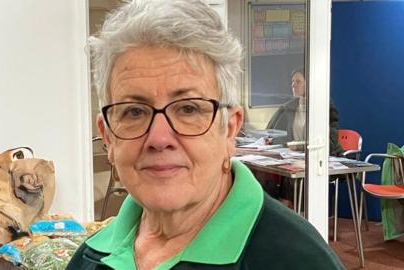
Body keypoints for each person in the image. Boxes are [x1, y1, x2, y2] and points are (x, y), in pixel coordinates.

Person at [67, 1, 344, 269]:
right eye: (134, 112)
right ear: (108, 137)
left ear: (230, 130)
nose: (159, 138)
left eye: (188, 108)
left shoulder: (297, 260)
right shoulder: (89, 258)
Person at [266, 68, 344, 156]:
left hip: (324, 157)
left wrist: (301, 147)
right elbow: (293, 138)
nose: (293, 85)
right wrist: (273, 140)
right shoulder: (290, 107)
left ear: (309, 84)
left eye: (298, 82)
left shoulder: (323, 105)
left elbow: (329, 143)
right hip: (299, 156)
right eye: (293, 81)